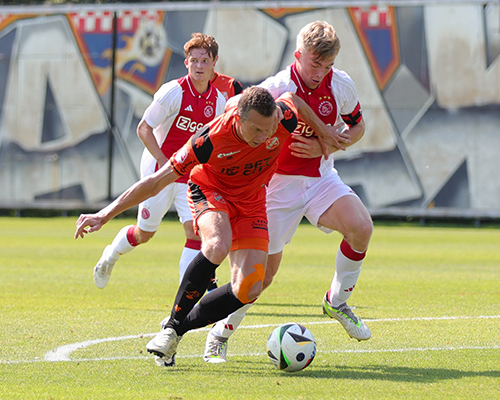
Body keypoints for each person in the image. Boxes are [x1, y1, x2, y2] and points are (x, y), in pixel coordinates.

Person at [75, 86, 346, 367]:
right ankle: (171, 330)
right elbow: (156, 182)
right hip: (210, 190)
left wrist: (324, 132)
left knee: (250, 288)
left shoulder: (282, 117)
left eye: (269, 128)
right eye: (256, 130)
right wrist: (104, 214)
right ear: (238, 119)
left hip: (252, 200)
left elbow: (294, 101)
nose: (264, 137)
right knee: (217, 245)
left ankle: (174, 330)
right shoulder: (209, 140)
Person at [204, 21, 373, 363]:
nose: (320, 72)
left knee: (361, 227)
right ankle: (220, 332)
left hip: (322, 180)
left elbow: (357, 126)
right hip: (276, 189)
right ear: (298, 56)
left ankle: (336, 301)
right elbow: (238, 106)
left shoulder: (340, 84)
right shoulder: (278, 85)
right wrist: (324, 132)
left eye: (327, 66)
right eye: (315, 64)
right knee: (259, 279)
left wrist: (329, 146)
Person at [92, 33, 239, 290]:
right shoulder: (173, 91)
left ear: (215, 63)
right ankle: (111, 255)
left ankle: (188, 300)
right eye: (194, 60)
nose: (199, 66)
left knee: (195, 235)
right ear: (186, 63)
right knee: (144, 234)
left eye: (205, 60)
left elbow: (213, 142)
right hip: (158, 169)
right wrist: (164, 162)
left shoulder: (219, 101)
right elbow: (143, 128)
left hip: (190, 175)